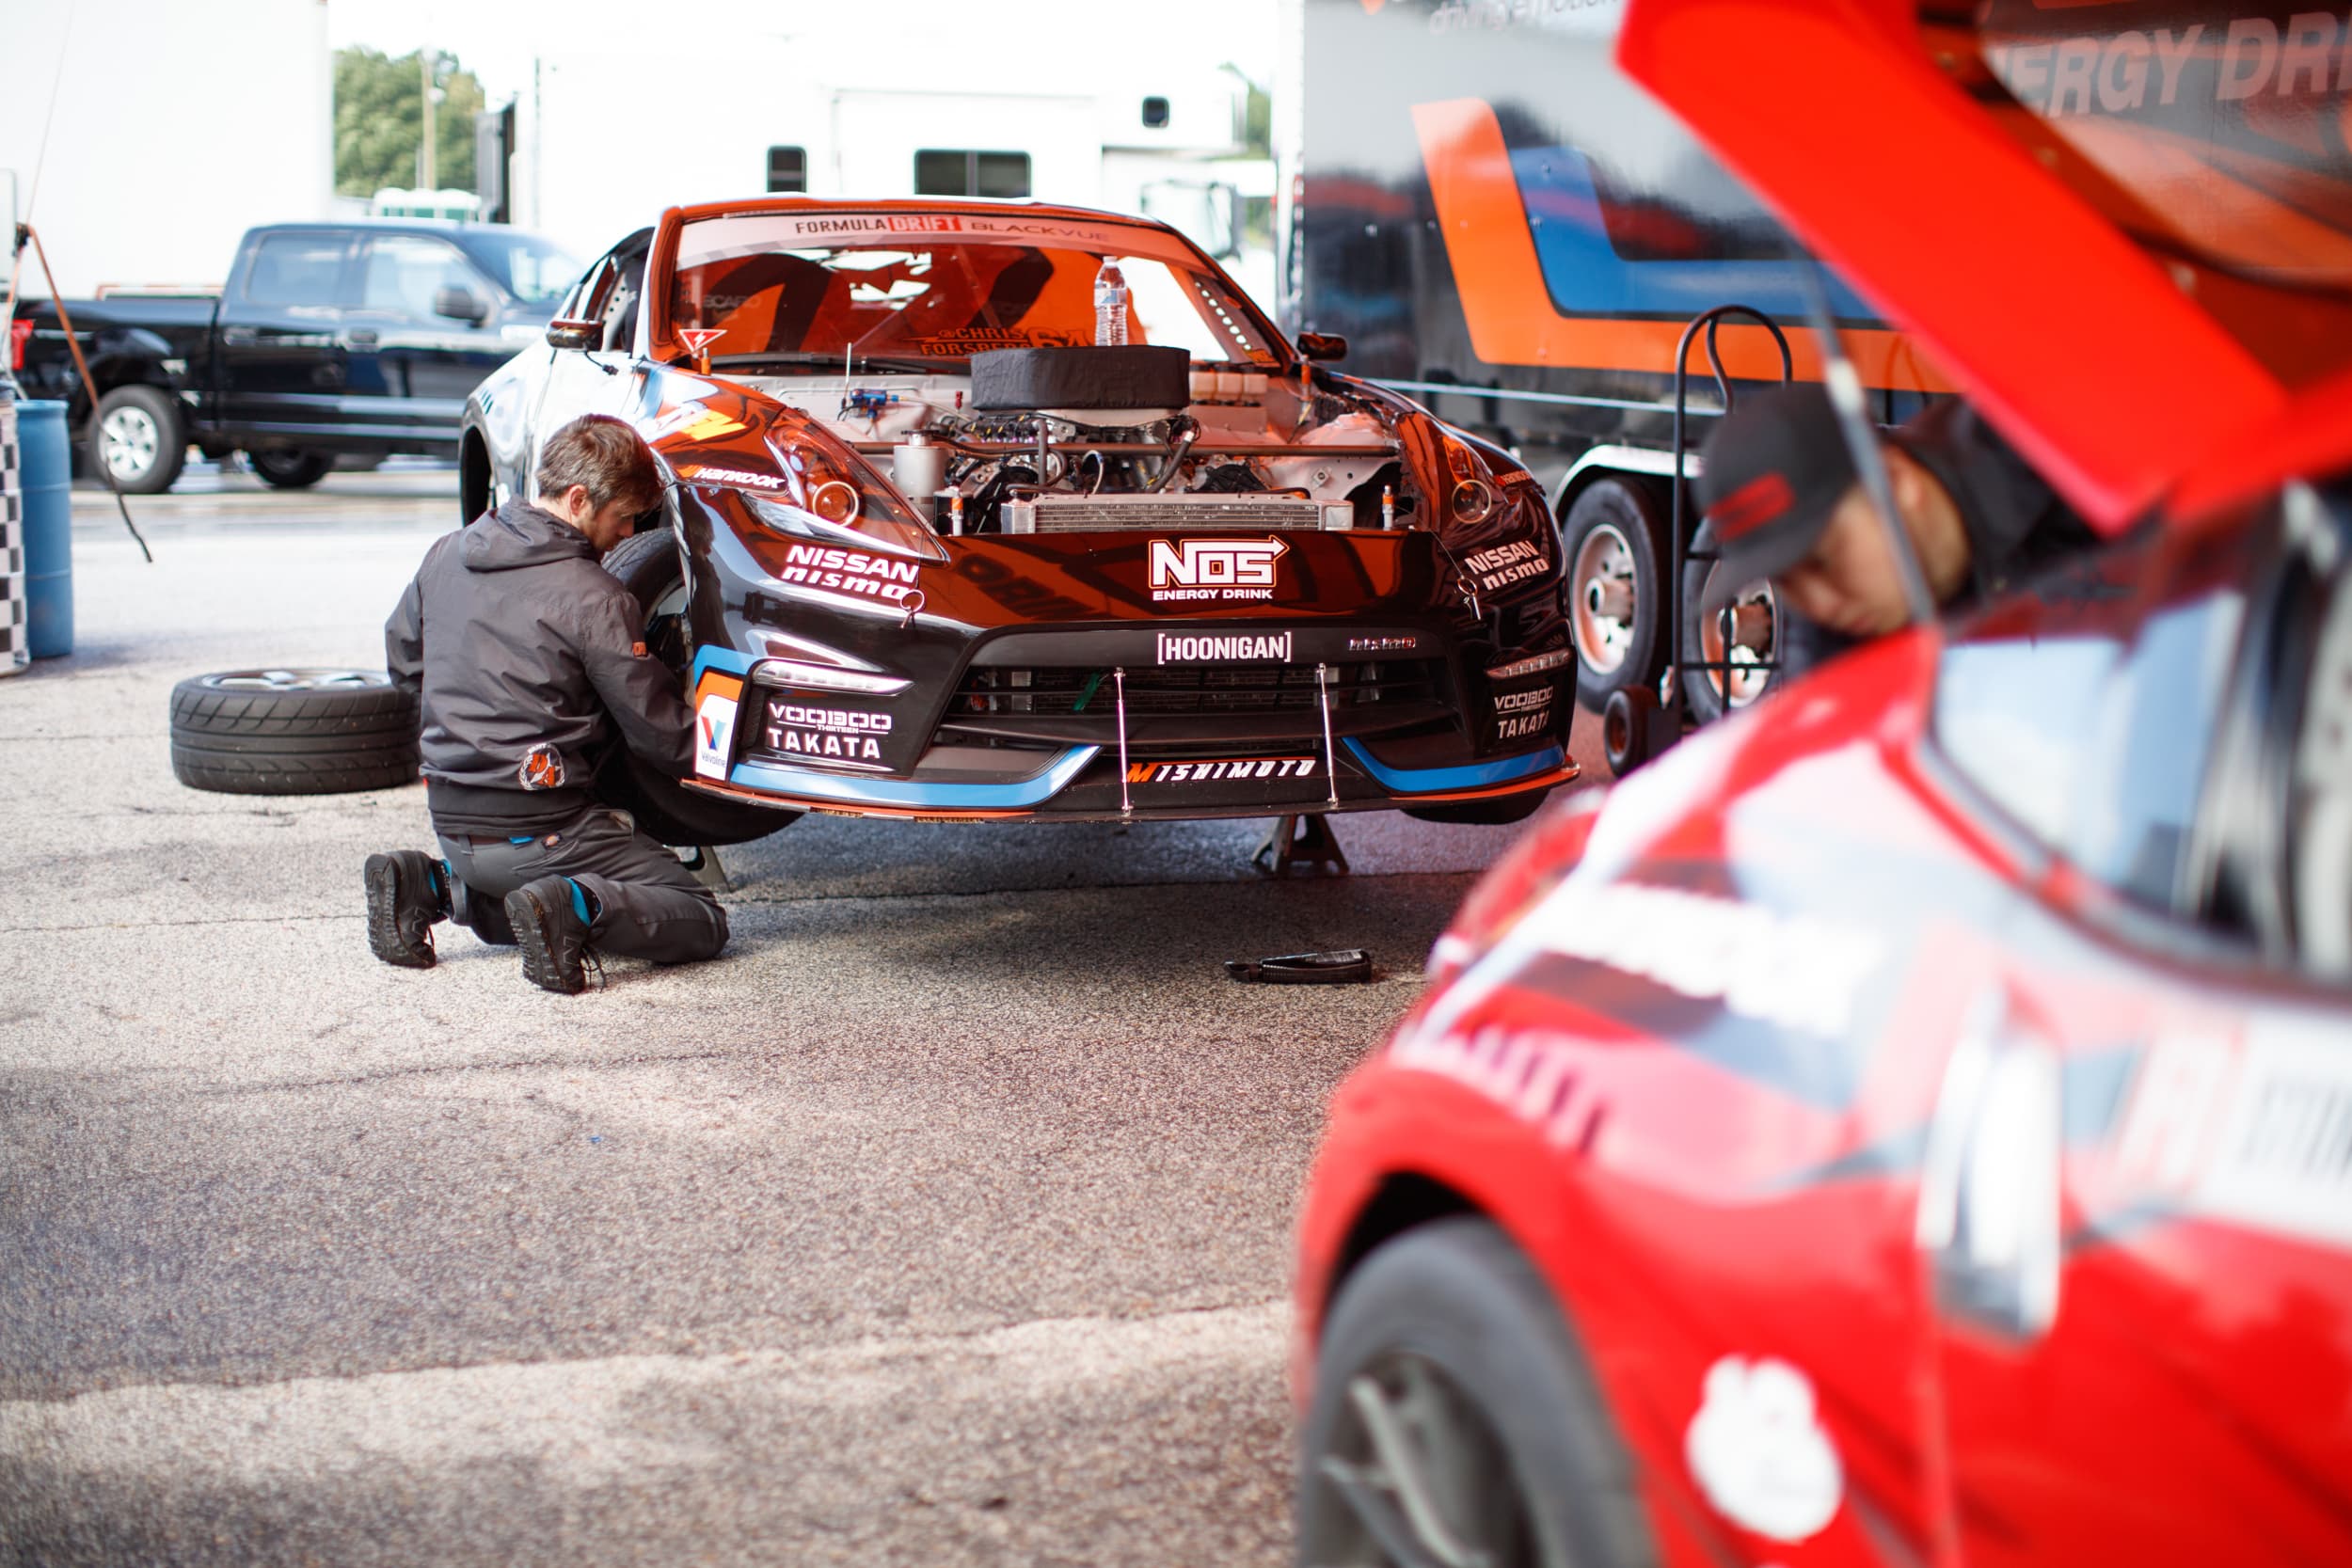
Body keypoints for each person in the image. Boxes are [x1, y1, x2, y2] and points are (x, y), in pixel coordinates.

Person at [362, 415, 729, 993]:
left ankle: (432, 887)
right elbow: (656, 732)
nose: (630, 532)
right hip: (543, 830)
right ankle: (575, 909)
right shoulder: (595, 595)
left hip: (452, 821)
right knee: (698, 916)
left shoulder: (447, 552)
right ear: (580, 498)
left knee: (530, 892)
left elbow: (405, 664)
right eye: (624, 516)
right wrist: (742, 746)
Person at [1695, 383, 2094, 643]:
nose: (1822, 604)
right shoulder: (1837, 642)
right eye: (1786, 580)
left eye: (1824, 559)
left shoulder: (2070, 466)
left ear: (1895, 480)